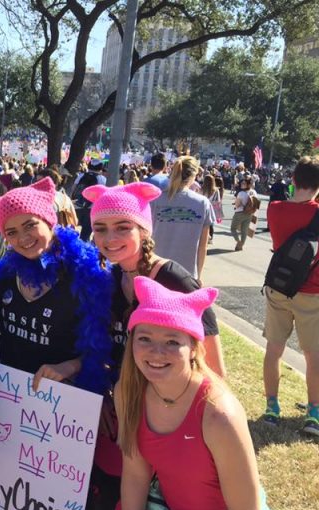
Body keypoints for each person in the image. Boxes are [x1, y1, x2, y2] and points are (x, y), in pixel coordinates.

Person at [103, 277, 294, 510]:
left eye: (172, 342)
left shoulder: (219, 414)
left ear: (194, 347)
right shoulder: (128, 392)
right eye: (145, 338)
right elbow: (137, 474)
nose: (156, 352)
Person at [0, 177, 113, 510]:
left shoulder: (85, 274)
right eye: (11, 231)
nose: (23, 238)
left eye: (30, 225)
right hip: (15, 407)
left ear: (50, 220)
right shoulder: (5, 274)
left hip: (65, 413)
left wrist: (69, 367)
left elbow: (102, 347)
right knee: (22, 504)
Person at [86, 182, 225, 377]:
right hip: (123, 399)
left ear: (144, 232)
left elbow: (215, 369)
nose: (110, 239)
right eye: (100, 229)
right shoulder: (111, 278)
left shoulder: (174, 280)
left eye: (123, 228)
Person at [263, 156, 319, 435]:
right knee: (314, 356)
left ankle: (272, 408)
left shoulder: (274, 209)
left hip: (279, 288)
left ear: (294, 180)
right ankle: (314, 413)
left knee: (274, 350)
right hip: (312, 292)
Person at [150, 156, 213, 281]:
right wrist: (199, 276)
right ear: (194, 175)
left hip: (156, 269)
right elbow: (202, 246)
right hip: (187, 274)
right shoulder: (202, 203)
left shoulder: (155, 200)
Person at [231, 175, 255, 251]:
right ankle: (240, 246)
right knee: (244, 230)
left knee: (233, 228)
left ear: (248, 185)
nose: (242, 184)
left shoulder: (241, 193)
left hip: (240, 212)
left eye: (244, 183)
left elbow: (237, 205)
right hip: (249, 213)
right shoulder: (253, 192)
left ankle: (239, 243)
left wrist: (235, 203)